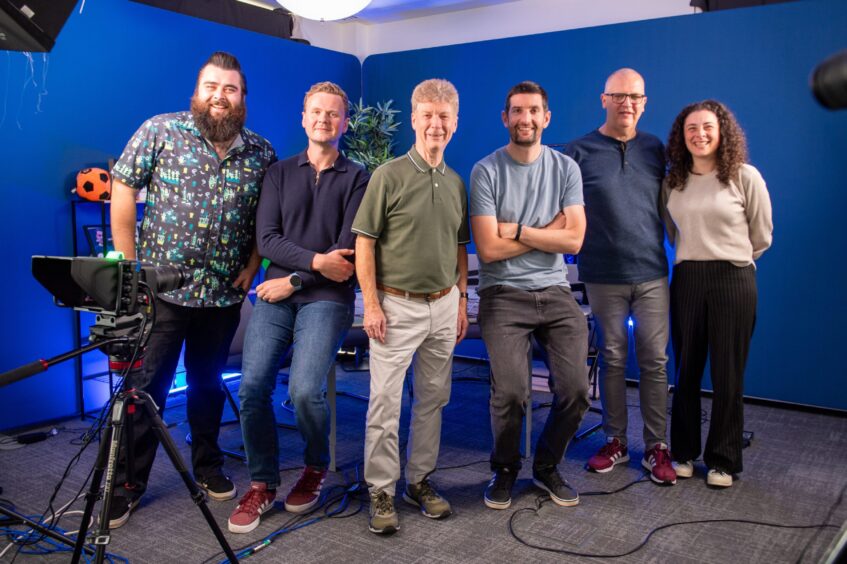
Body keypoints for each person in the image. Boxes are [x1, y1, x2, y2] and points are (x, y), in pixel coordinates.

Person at [108, 52, 276, 527]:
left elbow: (266, 221)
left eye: (230, 89)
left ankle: (208, 464)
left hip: (222, 296)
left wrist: (252, 265)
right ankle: (128, 483)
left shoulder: (261, 153)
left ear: (243, 98)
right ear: (197, 92)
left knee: (208, 385)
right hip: (161, 291)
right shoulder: (160, 131)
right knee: (148, 389)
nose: (220, 96)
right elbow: (122, 188)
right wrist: (128, 264)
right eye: (211, 86)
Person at [226, 82, 369, 533]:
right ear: (303, 118)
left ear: (344, 123)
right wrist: (306, 267)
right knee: (251, 387)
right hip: (277, 296)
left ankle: (314, 466)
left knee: (305, 391)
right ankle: (263, 483)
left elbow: (344, 257)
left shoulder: (359, 177)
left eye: (333, 114)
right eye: (316, 112)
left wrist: (291, 278)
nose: (324, 120)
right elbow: (266, 239)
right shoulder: (278, 173)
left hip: (325, 297)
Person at [352, 78, 469, 535]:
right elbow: (365, 243)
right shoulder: (388, 175)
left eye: (444, 116)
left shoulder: (456, 182)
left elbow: (460, 245)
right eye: (427, 115)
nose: (435, 124)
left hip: (443, 306)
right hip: (395, 307)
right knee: (384, 401)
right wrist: (372, 304)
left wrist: (460, 298)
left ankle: (419, 480)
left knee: (434, 399)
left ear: (454, 124)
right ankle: (381, 488)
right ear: (414, 119)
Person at [471, 81, 589, 510]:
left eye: (534, 110)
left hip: (556, 292)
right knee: (512, 393)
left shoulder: (565, 169)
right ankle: (504, 469)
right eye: (517, 111)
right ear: (505, 118)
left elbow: (575, 241)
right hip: (502, 294)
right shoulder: (486, 171)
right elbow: (488, 249)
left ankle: (546, 465)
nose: (526, 118)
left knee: (577, 390)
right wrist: (549, 233)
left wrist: (518, 230)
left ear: (546, 117)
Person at [564, 68, 676, 485]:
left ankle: (656, 446)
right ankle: (615, 442)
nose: (627, 103)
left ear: (644, 103)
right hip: (603, 274)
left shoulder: (656, 149)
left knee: (655, 361)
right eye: (618, 95)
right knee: (611, 358)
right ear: (604, 99)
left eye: (635, 97)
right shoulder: (578, 151)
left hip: (650, 273)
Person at [662, 99, 773, 488]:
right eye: (691, 128)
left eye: (707, 126)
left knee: (728, 374)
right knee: (686, 371)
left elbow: (761, 236)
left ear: (722, 131)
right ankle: (684, 453)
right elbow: (675, 234)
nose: (700, 134)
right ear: (682, 136)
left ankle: (723, 460)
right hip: (688, 278)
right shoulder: (673, 181)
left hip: (734, 278)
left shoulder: (744, 176)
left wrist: (730, 258)